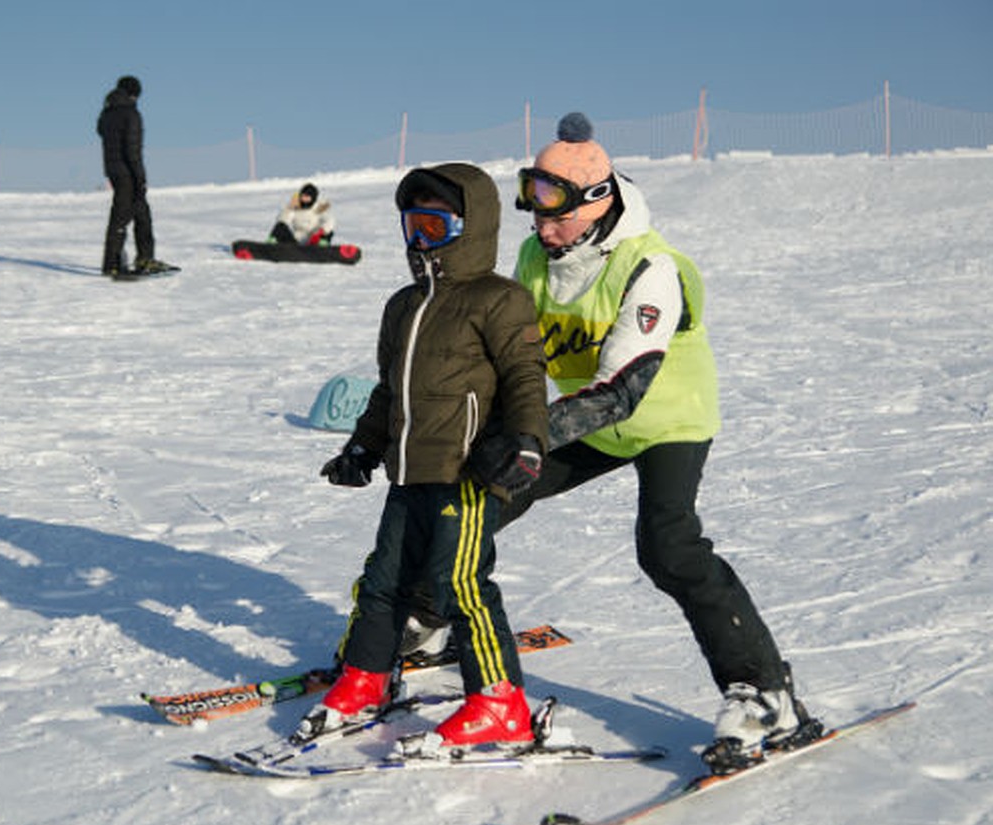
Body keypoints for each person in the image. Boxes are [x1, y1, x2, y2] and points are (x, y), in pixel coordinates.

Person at [336, 114, 821, 772]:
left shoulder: (650, 267)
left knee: (668, 547)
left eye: (555, 214)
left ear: (597, 203)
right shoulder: (539, 256)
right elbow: (512, 351)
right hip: (582, 417)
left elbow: (622, 389)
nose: (541, 228)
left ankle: (764, 693)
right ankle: (428, 618)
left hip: (665, 419)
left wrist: (528, 439)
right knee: (476, 498)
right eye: (534, 210)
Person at [296, 162, 549, 753]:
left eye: (434, 226)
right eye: (412, 226)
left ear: (472, 227)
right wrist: (364, 446)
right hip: (408, 469)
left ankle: (500, 701)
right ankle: (365, 678)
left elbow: (524, 377)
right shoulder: (403, 305)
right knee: (382, 580)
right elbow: (388, 389)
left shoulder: (498, 299)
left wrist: (527, 442)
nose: (419, 241)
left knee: (461, 583)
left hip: (467, 470)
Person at [97, 75, 172, 276]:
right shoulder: (131, 114)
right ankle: (111, 263)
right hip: (128, 173)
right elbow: (133, 150)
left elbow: (102, 133)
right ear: (134, 94)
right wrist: (140, 178)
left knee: (142, 213)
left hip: (113, 170)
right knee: (121, 217)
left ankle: (145, 258)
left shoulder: (107, 113)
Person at [269, 182, 336, 245]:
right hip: (297, 243)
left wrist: (321, 231)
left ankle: (323, 247)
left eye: (307, 197)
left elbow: (329, 220)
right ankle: (270, 245)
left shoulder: (319, 208)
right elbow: (282, 220)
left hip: (313, 242)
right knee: (280, 226)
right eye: (303, 196)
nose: (304, 199)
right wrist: (290, 209)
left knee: (328, 231)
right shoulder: (295, 207)